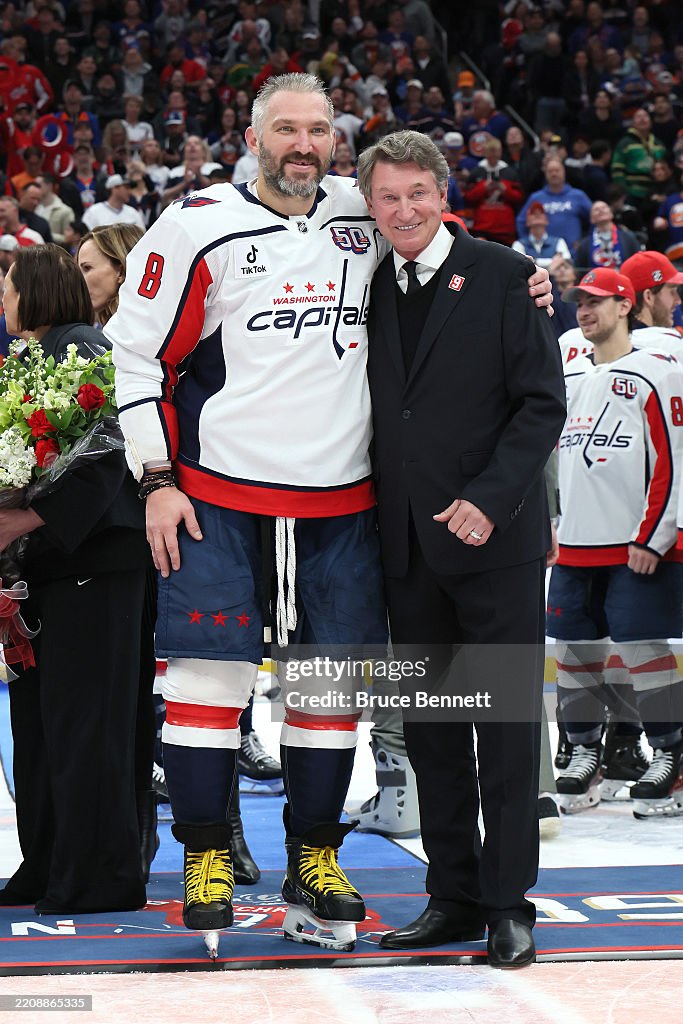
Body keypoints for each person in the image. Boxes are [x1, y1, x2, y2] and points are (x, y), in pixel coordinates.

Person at [106, 73, 555, 958]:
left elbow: (435, 235)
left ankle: (318, 855)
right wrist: (157, 476)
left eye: (317, 130)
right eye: (285, 129)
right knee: (208, 679)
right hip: (221, 492)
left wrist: (517, 277)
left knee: (331, 687)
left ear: (335, 142)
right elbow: (135, 354)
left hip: (352, 504)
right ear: (251, 134)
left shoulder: (362, 209)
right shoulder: (195, 225)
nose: (302, 145)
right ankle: (207, 857)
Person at [357, 130, 566, 968]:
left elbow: (540, 405)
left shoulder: (509, 276)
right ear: (368, 206)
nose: (402, 211)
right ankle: (450, 897)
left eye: (415, 193)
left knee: (505, 730)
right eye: (386, 198)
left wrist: (486, 500)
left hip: (496, 543)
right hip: (405, 546)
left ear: (442, 193)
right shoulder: (365, 284)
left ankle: (508, 902)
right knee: (435, 730)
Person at [0, 244, 150, 913]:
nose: (2, 301)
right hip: (49, 567)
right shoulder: (31, 357)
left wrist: (23, 519)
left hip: (95, 561)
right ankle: (48, 862)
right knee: (39, 727)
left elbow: (104, 455)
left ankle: (99, 877)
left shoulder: (84, 345)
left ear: (35, 289)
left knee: (87, 723)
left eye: (7, 287)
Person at [548, 267, 683, 819]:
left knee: (642, 649)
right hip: (576, 542)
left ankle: (672, 754)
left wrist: (654, 536)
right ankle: (584, 752)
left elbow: (671, 463)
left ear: (627, 306)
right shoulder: (573, 380)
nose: (585, 311)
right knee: (574, 652)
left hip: (632, 544)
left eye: (598, 302)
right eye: (580, 302)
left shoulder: (651, 375)